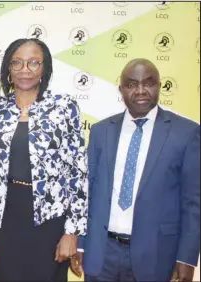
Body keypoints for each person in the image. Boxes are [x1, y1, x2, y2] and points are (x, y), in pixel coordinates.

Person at [0, 38, 88, 281]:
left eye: (34, 63)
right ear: (8, 69)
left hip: (50, 220)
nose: (25, 69)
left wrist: (72, 233)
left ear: (45, 69)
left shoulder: (64, 107)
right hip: (4, 219)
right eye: (17, 63)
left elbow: (78, 173)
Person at [71, 58, 200, 281]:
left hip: (157, 255)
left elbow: (193, 202)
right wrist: (81, 244)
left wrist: (186, 258)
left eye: (148, 83)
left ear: (159, 85)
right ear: (121, 90)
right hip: (103, 254)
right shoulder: (102, 131)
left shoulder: (186, 133)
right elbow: (86, 192)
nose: (140, 91)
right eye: (131, 85)